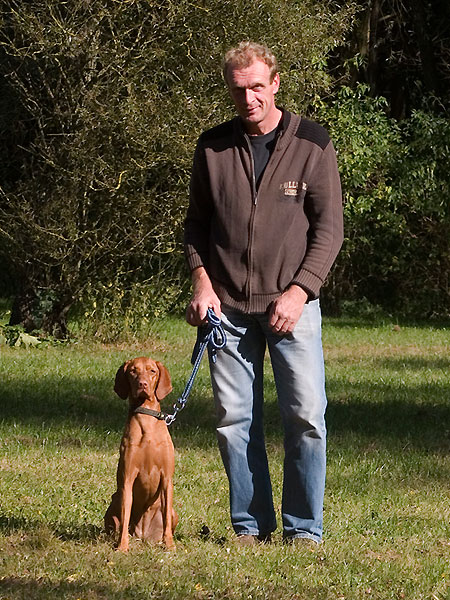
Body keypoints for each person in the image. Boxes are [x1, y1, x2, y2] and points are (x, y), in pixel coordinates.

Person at [184, 41, 343, 546]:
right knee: (234, 421)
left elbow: (329, 231)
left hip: (292, 306)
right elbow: (196, 226)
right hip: (226, 309)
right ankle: (250, 527)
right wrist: (202, 281)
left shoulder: (313, 143)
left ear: (275, 83)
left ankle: (304, 530)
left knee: (307, 417)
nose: (248, 98)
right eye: (239, 89)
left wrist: (300, 291)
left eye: (257, 86)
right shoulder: (212, 147)